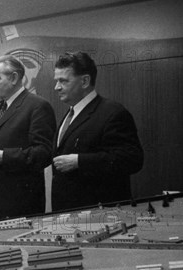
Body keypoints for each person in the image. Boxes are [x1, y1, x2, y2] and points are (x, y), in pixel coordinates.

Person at [52, 51, 144, 211]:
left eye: (63, 81)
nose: (56, 87)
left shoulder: (113, 112)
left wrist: (80, 161)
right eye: (56, 81)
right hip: (69, 211)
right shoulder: (70, 113)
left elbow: (132, 159)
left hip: (99, 213)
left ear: (85, 81)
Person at [0, 54, 56, 218]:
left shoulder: (37, 106)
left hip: (20, 203)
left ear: (14, 78)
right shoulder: (4, 105)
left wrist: (4, 156)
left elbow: (44, 153)